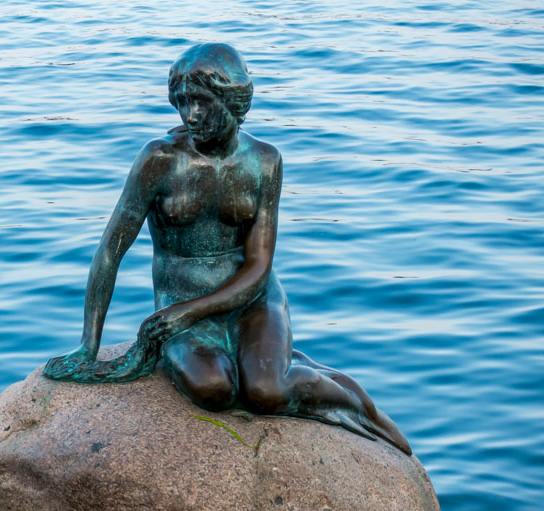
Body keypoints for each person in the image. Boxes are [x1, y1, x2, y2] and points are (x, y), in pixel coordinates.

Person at [44, 43, 410, 454]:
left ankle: (358, 404)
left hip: (250, 296)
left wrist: (185, 314)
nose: (190, 116)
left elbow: (259, 266)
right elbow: (110, 252)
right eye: (183, 103)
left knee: (266, 391)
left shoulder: (264, 161)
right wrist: (88, 345)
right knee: (214, 389)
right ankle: (275, 356)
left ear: (234, 101)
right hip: (182, 296)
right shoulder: (159, 160)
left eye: (202, 102)